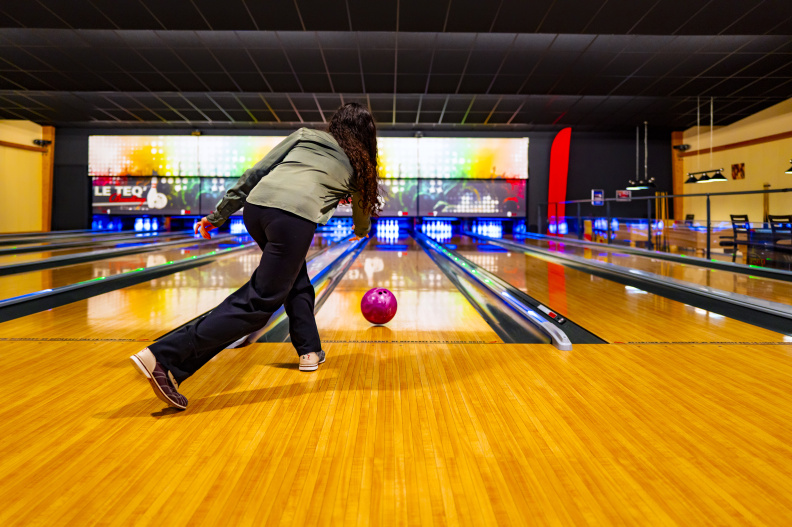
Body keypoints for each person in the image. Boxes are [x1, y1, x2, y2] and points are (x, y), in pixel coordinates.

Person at [130, 103, 380, 410]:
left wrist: (218, 215)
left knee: (294, 280)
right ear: (367, 136)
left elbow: (256, 173)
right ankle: (163, 355)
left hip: (256, 209)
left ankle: (309, 350)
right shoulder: (359, 164)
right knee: (259, 304)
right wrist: (361, 230)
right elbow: (362, 211)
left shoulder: (306, 135)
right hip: (292, 221)